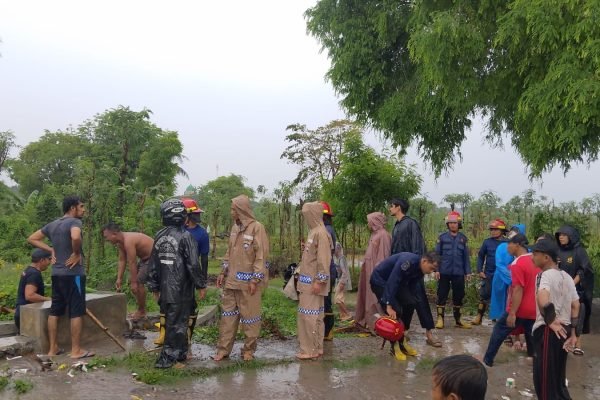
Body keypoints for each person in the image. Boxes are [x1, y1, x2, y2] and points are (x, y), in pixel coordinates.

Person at [27, 195, 94, 359]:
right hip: (73, 274)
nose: (84, 210)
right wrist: (77, 253)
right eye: (82, 206)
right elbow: (76, 236)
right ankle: (76, 350)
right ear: (73, 208)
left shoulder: (53, 225)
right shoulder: (75, 222)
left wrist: (51, 249)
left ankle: (52, 349)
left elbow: (32, 238)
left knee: (55, 310)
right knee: (76, 311)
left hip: (56, 274)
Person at [146, 198, 206, 368]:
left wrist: (154, 286)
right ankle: (168, 359)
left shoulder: (159, 235)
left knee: (172, 321)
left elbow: (153, 264)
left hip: (166, 289)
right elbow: (194, 264)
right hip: (181, 289)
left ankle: (179, 354)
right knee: (178, 324)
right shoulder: (186, 237)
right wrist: (201, 284)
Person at [214, 195, 269, 362]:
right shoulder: (234, 229)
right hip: (231, 282)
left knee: (250, 318)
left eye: (233, 209)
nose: (231, 212)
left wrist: (255, 279)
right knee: (228, 318)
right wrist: (223, 272)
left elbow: (261, 256)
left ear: (240, 210)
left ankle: (248, 350)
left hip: (248, 283)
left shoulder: (256, 228)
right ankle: (223, 350)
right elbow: (229, 253)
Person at [530, 238, 580, 400]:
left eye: (536, 254)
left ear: (546, 257)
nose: (532, 257)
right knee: (558, 381)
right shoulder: (566, 277)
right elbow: (576, 305)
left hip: (549, 331)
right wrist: (573, 334)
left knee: (544, 382)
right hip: (564, 331)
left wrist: (550, 321)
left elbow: (542, 297)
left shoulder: (544, 275)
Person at [370, 251, 440, 360]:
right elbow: (393, 281)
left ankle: (402, 340)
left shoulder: (420, 270)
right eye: (431, 268)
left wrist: (408, 299)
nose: (431, 272)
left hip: (397, 284)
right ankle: (395, 346)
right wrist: (389, 305)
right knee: (396, 310)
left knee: (410, 303)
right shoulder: (407, 262)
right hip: (380, 281)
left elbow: (411, 286)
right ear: (425, 261)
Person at [389, 198, 440, 348]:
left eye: (391, 206)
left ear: (398, 207)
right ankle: (404, 331)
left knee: (420, 301)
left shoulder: (411, 223)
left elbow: (418, 247)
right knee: (406, 302)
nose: (389, 208)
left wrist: (417, 269)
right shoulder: (397, 225)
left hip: (413, 270)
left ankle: (429, 334)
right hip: (401, 271)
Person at [482, 234, 538, 366]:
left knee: (499, 330)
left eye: (509, 244)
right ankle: (533, 357)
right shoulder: (535, 260)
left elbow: (518, 289)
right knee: (530, 332)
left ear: (517, 245)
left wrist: (512, 312)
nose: (507, 247)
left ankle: (488, 360)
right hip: (534, 307)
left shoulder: (518, 263)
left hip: (520, 308)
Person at [295, 201, 332, 360]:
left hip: (313, 283)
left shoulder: (320, 233)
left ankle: (309, 349)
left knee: (308, 316)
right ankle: (316, 347)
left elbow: (323, 259)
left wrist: (320, 280)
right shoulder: (314, 231)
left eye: (307, 215)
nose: (306, 218)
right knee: (315, 316)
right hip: (308, 281)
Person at [101, 222, 153, 321]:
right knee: (132, 281)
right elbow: (122, 260)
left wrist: (134, 282)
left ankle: (142, 311)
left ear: (114, 234)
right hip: (144, 259)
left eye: (106, 237)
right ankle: (141, 309)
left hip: (154, 258)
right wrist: (119, 278)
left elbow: (132, 261)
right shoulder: (121, 243)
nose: (106, 240)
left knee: (137, 282)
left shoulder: (128, 240)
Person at [555, 225, 594, 356]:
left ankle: (578, 344)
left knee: (577, 316)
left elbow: (584, 270)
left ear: (571, 237)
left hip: (576, 290)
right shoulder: (557, 250)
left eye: (564, 235)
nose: (561, 237)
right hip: (559, 289)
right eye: (559, 235)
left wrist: (571, 284)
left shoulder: (579, 251)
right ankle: (562, 342)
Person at [434, 211, 472, 329]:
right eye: (450, 223)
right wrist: (436, 270)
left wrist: (468, 272)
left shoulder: (463, 239)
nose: (452, 225)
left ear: (458, 224)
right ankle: (440, 319)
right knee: (441, 295)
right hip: (444, 272)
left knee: (459, 295)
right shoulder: (442, 238)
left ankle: (458, 320)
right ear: (447, 224)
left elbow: (466, 257)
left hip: (458, 273)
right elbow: (437, 255)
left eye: (454, 223)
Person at [354, 211, 391, 330]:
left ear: (375, 221)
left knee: (374, 297)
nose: (368, 224)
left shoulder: (383, 235)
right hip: (368, 270)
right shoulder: (375, 234)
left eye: (369, 221)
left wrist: (378, 273)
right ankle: (366, 320)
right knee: (367, 295)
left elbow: (383, 256)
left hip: (375, 272)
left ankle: (378, 324)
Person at [182, 198, 210, 347]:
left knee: (189, 307)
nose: (198, 217)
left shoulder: (202, 234)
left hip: (191, 276)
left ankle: (187, 340)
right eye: (195, 214)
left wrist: (202, 282)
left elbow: (204, 259)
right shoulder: (177, 230)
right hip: (174, 276)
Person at [473, 219, 508, 325]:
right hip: (489, 273)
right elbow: (480, 256)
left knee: (502, 296)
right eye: (491, 229)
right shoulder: (487, 242)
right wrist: (480, 270)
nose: (493, 231)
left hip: (503, 275)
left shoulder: (508, 243)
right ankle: (479, 316)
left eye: (495, 229)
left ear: (502, 231)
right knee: (484, 295)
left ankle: (500, 318)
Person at [489, 224, 525, 320]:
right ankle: (500, 321)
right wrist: (510, 277)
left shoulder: (525, 249)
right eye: (512, 230)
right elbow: (499, 264)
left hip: (516, 280)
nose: (513, 233)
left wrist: (515, 278)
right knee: (500, 301)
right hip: (501, 278)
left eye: (516, 231)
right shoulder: (502, 246)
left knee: (513, 302)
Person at [14, 249, 52, 333]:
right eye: (49, 259)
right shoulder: (34, 274)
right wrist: (48, 299)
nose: (50, 262)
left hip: (21, 314)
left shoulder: (28, 270)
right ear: (42, 260)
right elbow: (30, 295)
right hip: (26, 316)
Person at [320, 201, 337, 341]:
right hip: (328, 269)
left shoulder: (326, 230)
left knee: (326, 301)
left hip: (327, 269)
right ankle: (326, 330)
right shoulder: (326, 229)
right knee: (325, 300)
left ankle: (328, 330)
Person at [333, 242, 352, 321]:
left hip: (343, 280)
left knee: (337, 299)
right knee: (340, 298)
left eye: (334, 249)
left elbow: (344, 272)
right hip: (339, 280)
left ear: (338, 249)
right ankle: (343, 315)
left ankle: (347, 314)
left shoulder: (341, 258)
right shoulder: (337, 258)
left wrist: (342, 283)